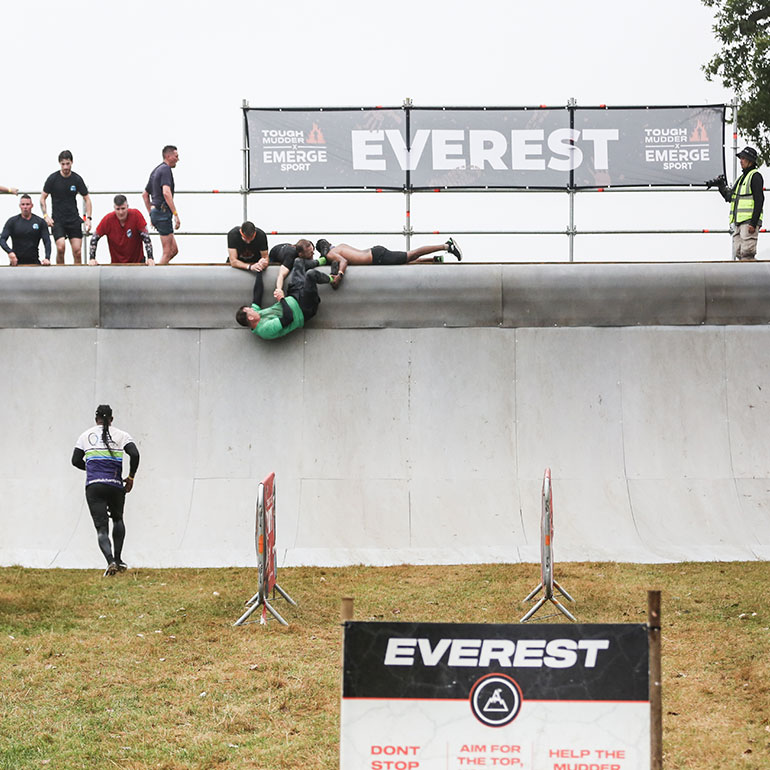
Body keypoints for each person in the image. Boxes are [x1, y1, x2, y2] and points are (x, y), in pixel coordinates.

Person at [72, 405, 140, 576]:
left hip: (94, 485)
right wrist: (130, 477)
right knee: (118, 519)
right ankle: (118, 559)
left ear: (96, 419)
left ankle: (110, 561)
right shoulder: (122, 435)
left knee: (102, 528)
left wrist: (92, 468)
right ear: (112, 419)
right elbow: (135, 454)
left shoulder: (85, 436)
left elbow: (75, 460)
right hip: (115, 484)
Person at [235, 256, 338, 340]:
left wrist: (259, 271)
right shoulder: (264, 329)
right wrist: (281, 299)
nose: (253, 309)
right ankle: (333, 279)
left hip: (294, 295)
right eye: (250, 310)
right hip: (304, 308)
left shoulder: (257, 315)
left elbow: (257, 295)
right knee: (310, 275)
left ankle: (322, 259)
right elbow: (288, 318)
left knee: (298, 262)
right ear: (250, 318)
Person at [316, 237, 462, 281]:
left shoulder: (331, 254)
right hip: (375, 254)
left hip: (377, 257)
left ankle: (446, 246)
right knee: (406, 262)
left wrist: (339, 275)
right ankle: (434, 260)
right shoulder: (339, 246)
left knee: (411, 254)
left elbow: (344, 262)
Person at [40, 150, 92, 265]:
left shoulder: (77, 179)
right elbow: (43, 198)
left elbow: (87, 199)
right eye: (63, 164)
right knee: (60, 248)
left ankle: (78, 278)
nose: (65, 167)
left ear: (72, 163)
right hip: (58, 220)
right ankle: (60, 276)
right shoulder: (53, 179)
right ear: (59, 164)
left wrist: (88, 218)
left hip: (73, 219)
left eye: (68, 164)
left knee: (77, 251)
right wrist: (45, 216)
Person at [713, 146, 765, 261]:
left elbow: (759, 200)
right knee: (739, 252)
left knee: (747, 253)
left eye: (743, 158)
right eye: (740, 158)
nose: (741, 161)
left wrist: (754, 222)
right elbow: (730, 197)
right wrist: (721, 187)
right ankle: (747, 276)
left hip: (749, 222)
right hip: (738, 222)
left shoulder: (755, 176)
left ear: (750, 161)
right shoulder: (741, 179)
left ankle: (752, 277)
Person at [89, 195, 154, 265]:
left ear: (127, 207)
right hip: (116, 264)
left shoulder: (136, 215)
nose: (121, 212)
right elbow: (94, 238)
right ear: (114, 208)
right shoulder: (108, 219)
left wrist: (150, 257)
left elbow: (146, 237)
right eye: (118, 209)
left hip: (137, 262)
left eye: (123, 208)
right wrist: (92, 258)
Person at [142, 145, 180, 264]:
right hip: (163, 212)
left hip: (157, 212)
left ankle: (160, 273)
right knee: (167, 252)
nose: (178, 159)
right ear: (168, 156)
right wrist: (176, 214)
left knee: (174, 250)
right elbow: (166, 193)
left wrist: (151, 214)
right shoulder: (165, 170)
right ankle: (154, 279)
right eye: (176, 156)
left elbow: (145, 194)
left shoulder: (156, 170)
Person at [0, 194, 52, 265]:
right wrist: (10, 252)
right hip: (16, 262)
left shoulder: (40, 222)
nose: (25, 207)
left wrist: (47, 258)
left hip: (34, 262)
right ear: (20, 206)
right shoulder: (12, 221)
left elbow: (47, 241)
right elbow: (2, 239)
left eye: (27, 204)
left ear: (32, 205)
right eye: (23, 204)